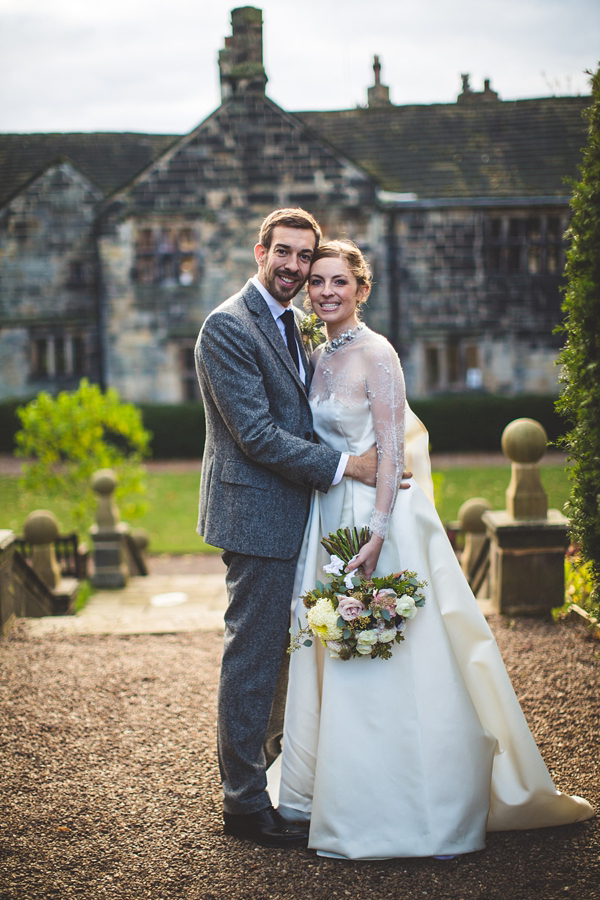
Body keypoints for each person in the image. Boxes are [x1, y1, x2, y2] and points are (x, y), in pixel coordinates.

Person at [276, 239, 595, 859]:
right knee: (332, 648)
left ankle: (411, 802)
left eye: (339, 282)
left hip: (379, 525)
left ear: (361, 289)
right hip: (330, 516)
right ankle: (335, 790)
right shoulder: (316, 354)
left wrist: (377, 534)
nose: (326, 293)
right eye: (317, 282)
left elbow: (393, 450)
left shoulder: (378, 354)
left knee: (395, 648)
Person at [195, 210, 409, 849]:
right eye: (283, 253)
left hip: (307, 513)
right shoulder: (228, 327)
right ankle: (243, 804)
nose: (293, 267)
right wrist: (353, 464)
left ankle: (291, 779)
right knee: (255, 657)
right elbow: (256, 434)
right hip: (257, 515)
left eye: (304, 257)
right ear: (260, 250)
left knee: (297, 656)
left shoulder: (300, 326)